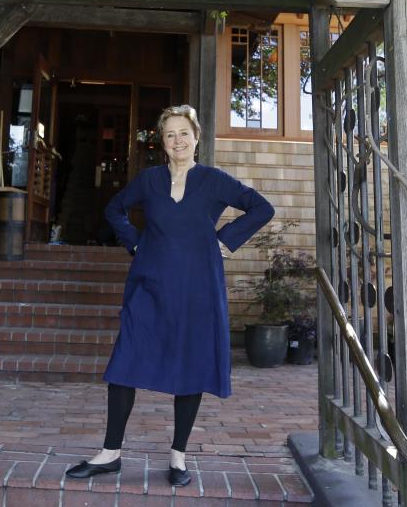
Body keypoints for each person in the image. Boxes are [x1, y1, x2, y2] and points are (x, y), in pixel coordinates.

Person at [65, 104, 275, 487]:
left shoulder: (214, 181)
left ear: (196, 137)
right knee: (125, 358)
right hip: (150, 282)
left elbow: (262, 208)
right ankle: (110, 452)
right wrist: (134, 243)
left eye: (183, 133)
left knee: (191, 365)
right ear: (162, 143)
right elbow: (115, 209)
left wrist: (224, 241)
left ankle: (178, 456)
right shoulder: (148, 180)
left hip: (198, 287)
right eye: (169, 135)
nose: (177, 141)